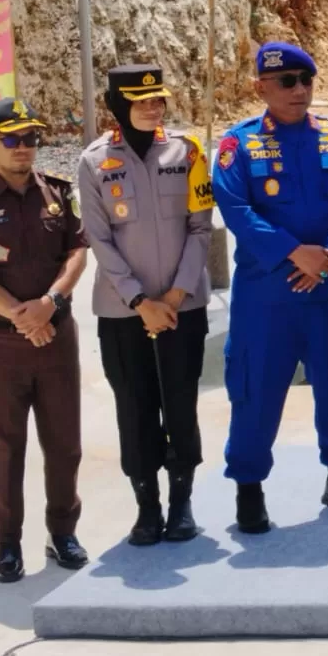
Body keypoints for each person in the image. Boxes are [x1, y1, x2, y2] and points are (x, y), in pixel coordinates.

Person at [212, 42, 328, 533]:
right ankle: (249, 489)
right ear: (260, 86)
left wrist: (327, 256)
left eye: (306, 81)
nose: (299, 91)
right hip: (268, 295)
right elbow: (235, 208)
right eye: (286, 82)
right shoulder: (239, 144)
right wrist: (291, 251)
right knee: (255, 388)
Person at [0, 98, 89, 583]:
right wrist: (21, 316)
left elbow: (76, 254)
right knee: (2, 448)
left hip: (56, 339)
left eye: (31, 138)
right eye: (12, 139)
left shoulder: (59, 192)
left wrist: (49, 302)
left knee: (64, 443)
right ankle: (7, 542)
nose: (24, 148)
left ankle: (62, 531)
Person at [78, 65, 214, 546]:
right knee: (134, 408)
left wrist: (174, 295)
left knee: (180, 403)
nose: (153, 108)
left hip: (183, 306)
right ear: (119, 105)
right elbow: (98, 239)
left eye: (158, 100)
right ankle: (146, 508)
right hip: (122, 312)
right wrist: (140, 301)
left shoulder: (188, 151)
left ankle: (181, 505)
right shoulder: (94, 162)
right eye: (141, 101)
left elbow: (201, 228)